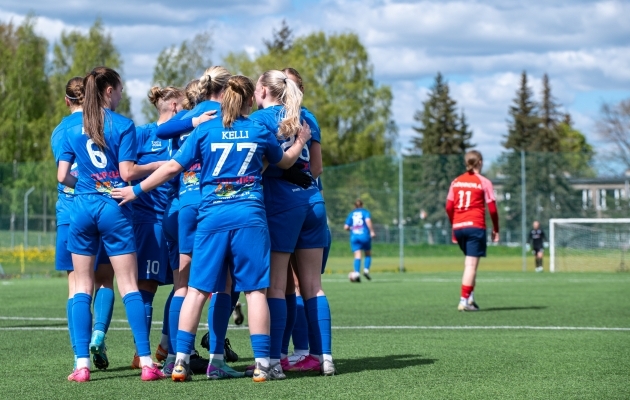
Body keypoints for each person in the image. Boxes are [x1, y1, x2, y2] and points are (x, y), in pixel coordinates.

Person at [112, 74, 311, 382]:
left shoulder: (205, 129)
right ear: (248, 100)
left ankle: (180, 361)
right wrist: (300, 142)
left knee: (195, 290)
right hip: (249, 217)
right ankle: (263, 365)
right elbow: (283, 162)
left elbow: (172, 167)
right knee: (256, 292)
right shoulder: (258, 128)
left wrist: (135, 191)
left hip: (211, 218)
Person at [57, 66, 165, 382]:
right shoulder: (123, 125)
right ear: (108, 91)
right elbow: (128, 172)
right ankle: (146, 362)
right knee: (128, 284)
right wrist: (157, 166)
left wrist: (87, 186)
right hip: (113, 207)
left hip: (81, 208)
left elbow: (63, 175)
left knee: (81, 287)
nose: (121, 95)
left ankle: (81, 366)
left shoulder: (71, 128)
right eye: (119, 90)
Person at [251, 69, 335, 376]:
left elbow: (255, 166)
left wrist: (278, 172)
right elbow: (315, 168)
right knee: (313, 286)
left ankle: (273, 361)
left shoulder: (259, 120)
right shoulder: (306, 117)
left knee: (276, 286)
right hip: (313, 201)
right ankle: (324, 356)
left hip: (280, 205)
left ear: (262, 91)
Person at [130, 85, 186, 370]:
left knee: (181, 285)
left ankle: (168, 345)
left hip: (176, 217)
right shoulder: (141, 133)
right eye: (185, 106)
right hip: (149, 219)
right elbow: (123, 170)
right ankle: (142, 353)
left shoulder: (184, 134)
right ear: (175, 106)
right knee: (148, 286)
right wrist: (156, 166)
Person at [445, 150, 499, 312]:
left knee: (470, 264)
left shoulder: (456, 181)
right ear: (480, 162)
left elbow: (449, 207)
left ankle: (470, 298)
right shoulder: (484, 182)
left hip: (459, 227)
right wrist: (496, 228)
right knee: (470, 265)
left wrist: (454, 225)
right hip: (475, 226)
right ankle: (464, 301)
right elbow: (493, 209)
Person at [344, 199, 376, 282]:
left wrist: (352, 229)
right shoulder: (365, 212)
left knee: (357, 255)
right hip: (364, 235)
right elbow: (367, 220)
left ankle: (357, 273)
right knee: (367, 253)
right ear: (362, 205)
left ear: (355, 206)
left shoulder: (351, 214)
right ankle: (366, 270)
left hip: (354, 237)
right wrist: (372, 231)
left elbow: (346, 227)